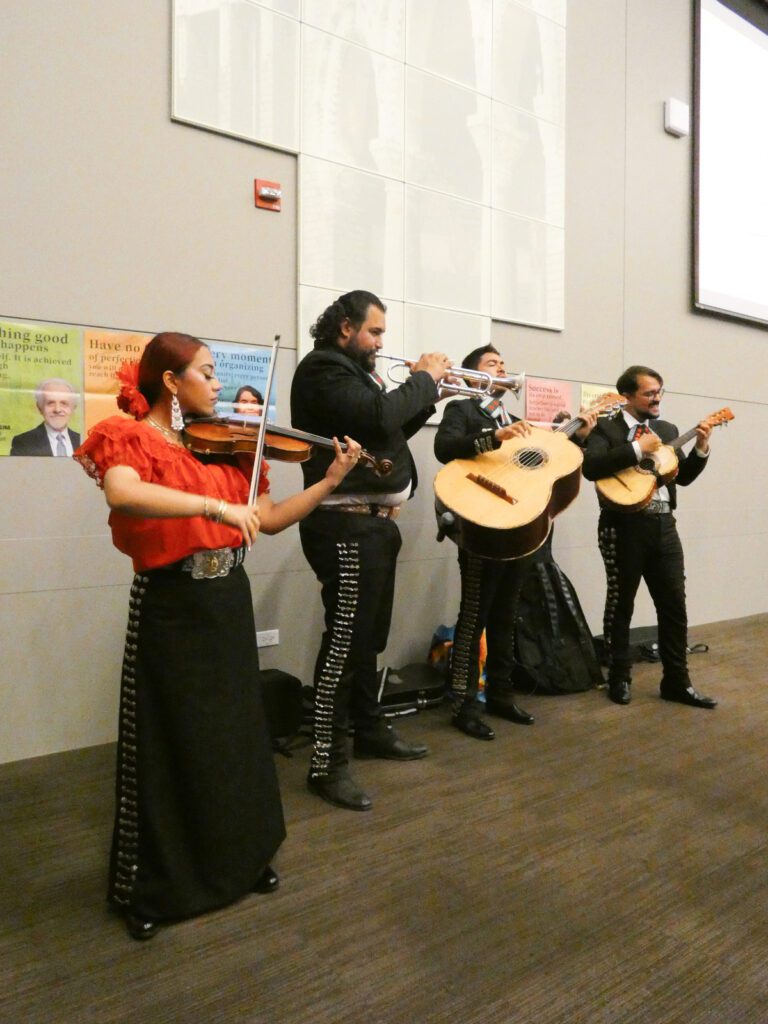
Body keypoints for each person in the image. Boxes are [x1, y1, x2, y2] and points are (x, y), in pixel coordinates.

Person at [75, 332, 361, 941]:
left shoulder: (230, 450)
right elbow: (123, 492)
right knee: (171, 738)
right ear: (171, 382)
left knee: (232, 735)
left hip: (226, 600)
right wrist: (212, 510)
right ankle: (158, 886)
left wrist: (331, 479)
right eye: (205, 373)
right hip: (172, 605)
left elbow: (272, 519)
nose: (217, 385)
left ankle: (240, 861)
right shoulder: (129, 436)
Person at [290, 290, 454, 812]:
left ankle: (368, 728)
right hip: (343, 527)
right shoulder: (322, 369)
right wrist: (423, 379)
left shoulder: (353, 375)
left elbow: (385, 430)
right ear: (345, 328)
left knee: (369, 639)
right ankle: (326, 764)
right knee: (344, 644)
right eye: (375, 332)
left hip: (372, 528)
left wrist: (429, 395)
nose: (381, 342)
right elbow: (382, 416)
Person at [434, 344, 597, 739]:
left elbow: (552, 464)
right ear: (474, 377)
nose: (503, 369)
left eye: (504, 364)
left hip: (519, 528)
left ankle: (502, 694)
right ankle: (464, 703)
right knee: (474, 616)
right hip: (480, 525)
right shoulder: (462, 409)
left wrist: (578, 434)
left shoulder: (520, 420)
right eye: (492, 364)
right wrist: (493, 436)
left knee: (507, 614)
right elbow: (444, 448)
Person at [581, 365, 717, 709]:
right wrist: (639, 449)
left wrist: (701, 448)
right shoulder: (607, 429)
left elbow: (681, 477)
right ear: (627, 396)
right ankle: (620, 677)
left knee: (674, 605)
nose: (657, 398)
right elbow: (591, 468)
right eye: (649, 393)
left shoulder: (667, 429)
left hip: (663, 526)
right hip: (622, 525)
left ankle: (677, 681)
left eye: (660, 391)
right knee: (621, 604)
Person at [10, 378, 81, 456]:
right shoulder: (23, 442)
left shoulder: (83, 441)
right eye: (50, 403)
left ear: (73, 408)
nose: (57, 409)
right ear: (40, 408)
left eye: (64, 403)